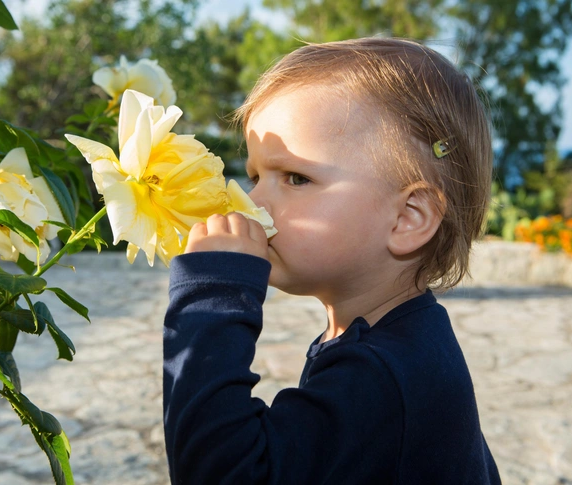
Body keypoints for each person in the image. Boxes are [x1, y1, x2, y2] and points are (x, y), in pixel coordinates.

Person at [163, 37, 501, 484]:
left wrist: (212, 296)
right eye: (255, 176)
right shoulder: (400, 339)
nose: (252, 201)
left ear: (407, 218)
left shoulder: (383, 377)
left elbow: (220, 473)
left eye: (296, 178)